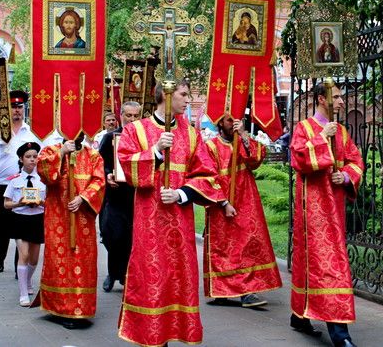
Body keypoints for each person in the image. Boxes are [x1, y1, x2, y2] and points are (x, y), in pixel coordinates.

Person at [117, 80, 226, 346]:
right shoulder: (136, 129)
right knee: (151, 277)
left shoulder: (191, 134)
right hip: (149, 222)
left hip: (180, 223)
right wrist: (155, 151)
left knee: (177, 279)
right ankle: (151, 336)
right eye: (184, 94)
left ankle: (171, 332)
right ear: (165, 95)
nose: (188, 100)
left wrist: (181, 194)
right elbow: (125, 167)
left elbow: (208, 175)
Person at [289, 82, 364, 347]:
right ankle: (340, 334)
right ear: (322, 99)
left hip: (335, 208)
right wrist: (322, 137)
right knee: (329, 266)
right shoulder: (304, 128)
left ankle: (300, 316)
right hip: (312, 211)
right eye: (338, 97)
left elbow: (356, 160)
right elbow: (299, 160)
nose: (342, 101)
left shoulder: (342, 132)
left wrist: (345, 176)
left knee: (318, 264)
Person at [204, 114, 281, 307]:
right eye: (230, 120)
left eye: (238, 120)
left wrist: (244, 136)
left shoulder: (244, 141)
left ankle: (248, 291)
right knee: (223, 248)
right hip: (221, 203)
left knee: (247, 245)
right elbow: (206, 178)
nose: (234, 124)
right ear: (220, 122)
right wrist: (223, 203)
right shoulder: (210, 147)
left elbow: (256, 160)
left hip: (246, 200)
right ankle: (221, 290)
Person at [35, 136, 105, 328]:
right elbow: (45, 174)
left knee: (83, 261)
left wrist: (83, 198)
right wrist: (62, 153)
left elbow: (99, 181)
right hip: (58, 218)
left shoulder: (93, 155)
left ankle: (81, 308)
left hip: (83, 221)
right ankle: (59, 307)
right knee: (59, 261)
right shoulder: (50, 151)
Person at [0, 90, 37, 273]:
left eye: (19, 106)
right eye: (13, 107)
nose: (16, 110)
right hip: (1, 184)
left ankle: (19, 265)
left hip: (24, 184)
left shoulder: (31, 133)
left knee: (22, 224)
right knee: (1, 224)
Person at [97, 101, 139, 293]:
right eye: (128, 115)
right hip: (114, 196)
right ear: (121, 115)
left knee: (131, 238)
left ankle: (125, 274)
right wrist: (108, 175)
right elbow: (100, 163)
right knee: (112, 235)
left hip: (136, 196)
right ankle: (113, 272)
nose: (132, 119)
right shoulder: (110, 137)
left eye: (135, 116)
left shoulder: (144, 138)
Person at [4, 142, 45, 307]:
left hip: (37, 218)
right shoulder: (14, 180)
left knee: (34, 259)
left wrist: (41, 202)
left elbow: (50, 202)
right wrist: (18, 203)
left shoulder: (43, 179)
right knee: (24, 255)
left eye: (35, 156)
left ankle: (27, 281)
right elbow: (6, 204)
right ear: (21, 159)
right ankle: (23, 293)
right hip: (20, 219)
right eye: (28, 157)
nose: (32, 160)